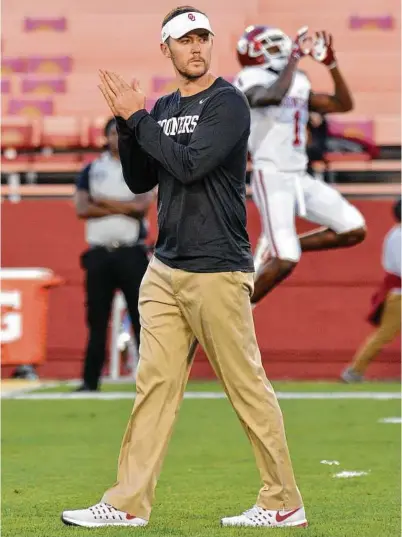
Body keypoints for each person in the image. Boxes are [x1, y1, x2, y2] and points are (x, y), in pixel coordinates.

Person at [61, 5, 307, 529]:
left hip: (217, 267)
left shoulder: (228, 102)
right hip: (165, 269)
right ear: (165, 49)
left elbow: (190, 164)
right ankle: (126, 504)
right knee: (153, 389)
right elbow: (138, 180)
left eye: (202, 39)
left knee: (246, 388)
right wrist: (130, 126)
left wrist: (139, 118)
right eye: (184, 40)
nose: (196, 48)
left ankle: (282, 502)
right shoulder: (166, 105)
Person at [233, 26, 366, 305]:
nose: (278, 51)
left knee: (354, 229)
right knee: (286, 260)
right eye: (269, 46)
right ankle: (236, 312)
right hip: (270, 173)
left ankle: (278, 243)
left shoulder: (297, 80)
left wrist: (331, 65)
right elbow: (269, 97)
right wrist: (294, 58)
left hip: (299, 175)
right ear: (250, 52)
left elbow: (343, 104)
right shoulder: (247, 79)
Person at [74, 118, 153, 392]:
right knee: (96, 319)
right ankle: (89, 381)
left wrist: (103, 201)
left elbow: (141, 207)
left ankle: (152, 380)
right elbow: (82, 208)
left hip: (131, 251)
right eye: (112, 133)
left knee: (143, 318)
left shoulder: (141, 167)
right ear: (105, 137)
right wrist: (123, 206)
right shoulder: (91, 169)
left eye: (122, 134)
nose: (117, 139)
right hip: (99, 253)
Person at [342, 198, 401, 382]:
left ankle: (354, 371)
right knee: (384, 334)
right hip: (399, 295)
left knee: (383, 334)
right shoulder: (398, 236)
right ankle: (354, 371)